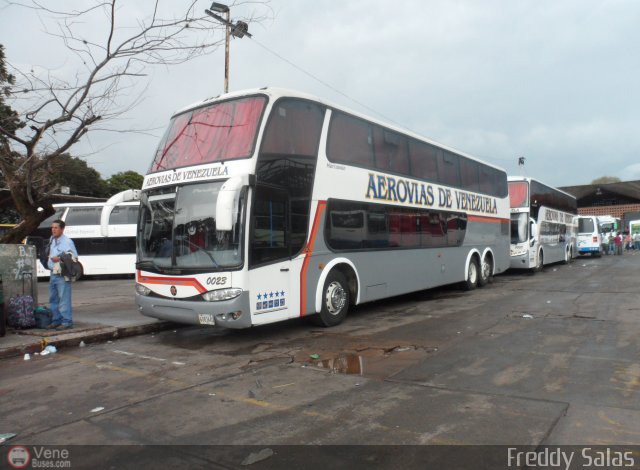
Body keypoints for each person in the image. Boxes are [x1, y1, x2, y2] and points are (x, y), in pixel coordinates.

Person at [46, 220, 78, 330]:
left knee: (64, 299)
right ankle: (56, 320)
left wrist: (59, 258)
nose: (53, 230)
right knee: (53, 299)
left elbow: (74, 258)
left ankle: (67, 322)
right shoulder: (52, 240)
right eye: (52, 227)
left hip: (62, 274)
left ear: (62, 229)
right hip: (53, 273)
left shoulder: (68, 242)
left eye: (56, 228)